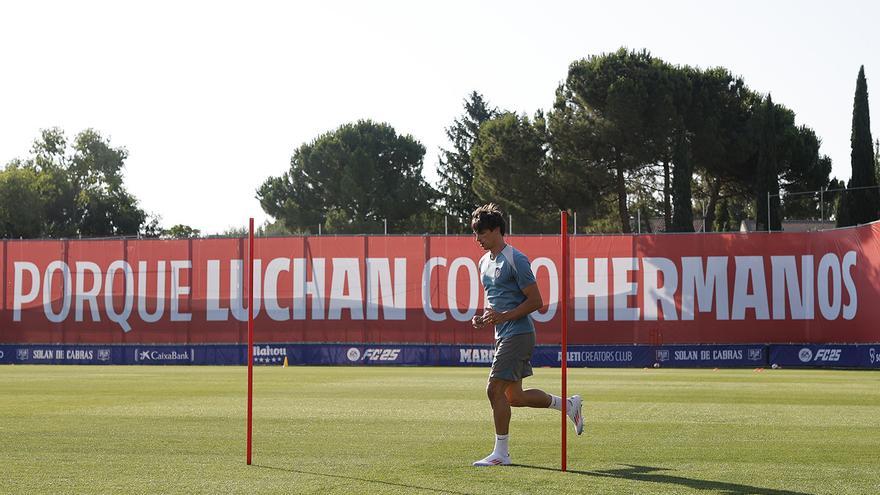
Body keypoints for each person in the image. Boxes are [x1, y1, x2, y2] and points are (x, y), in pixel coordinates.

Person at [469, 203, 583, 467]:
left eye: (482, 233)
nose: (477, 239)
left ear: (496, 230)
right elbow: (496, 301)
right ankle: (568, 405)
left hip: (518, 334)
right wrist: (485, 318)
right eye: (475, 234)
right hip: (502, 334)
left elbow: (536, 301)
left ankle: (501, 454)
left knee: (493, 389)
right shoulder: (483, 262)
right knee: (513, 397)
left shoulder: (516, 259)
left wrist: (505, 316)